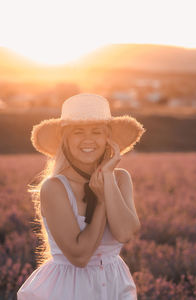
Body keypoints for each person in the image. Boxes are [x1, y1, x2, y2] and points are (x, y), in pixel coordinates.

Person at [17, 93, 146, 300]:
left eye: (97, 132)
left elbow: (125, 233)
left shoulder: (120, 179)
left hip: (114, 284)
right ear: (65, 140)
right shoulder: (54, 187)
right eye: (78, 132)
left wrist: (108, 177)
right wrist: (102, 201)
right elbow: (80, 256)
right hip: (70, 289)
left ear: (107, 139)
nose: (88, 139)